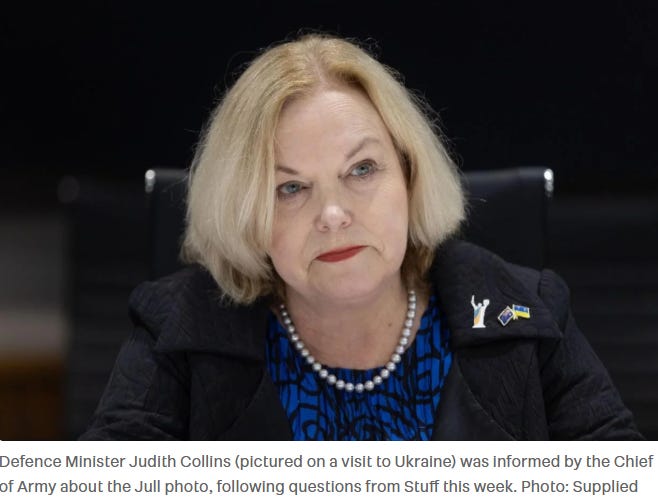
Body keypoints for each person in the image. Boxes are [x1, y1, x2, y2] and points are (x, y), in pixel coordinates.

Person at [81, 34, 641, 440]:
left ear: (409, 175)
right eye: (291, 188)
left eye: (362, 170)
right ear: (246, 213)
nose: (333, 215)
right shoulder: (179, 330)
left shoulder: (525, 312)